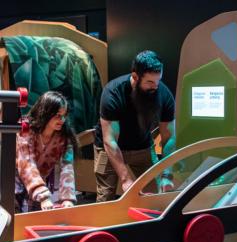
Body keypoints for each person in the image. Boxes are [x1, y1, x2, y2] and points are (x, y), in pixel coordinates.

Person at [94, 50, 175, 202]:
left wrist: (166, 175)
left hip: (142, 147)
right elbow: (109, 140)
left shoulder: (163, 94)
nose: (156, 86)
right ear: (135, 77)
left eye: (158, 81)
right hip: (111, 148)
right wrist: (125, 179)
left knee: (153, 196)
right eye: (150, 82)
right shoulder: (113, 93)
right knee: (106, 198)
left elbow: (168, 137)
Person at [15, 91, 78, 212]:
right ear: (45, 113)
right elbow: (26, 163)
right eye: (58, 116)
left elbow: (67, 166)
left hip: (39, 185)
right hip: (15, 183)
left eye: (64, 115)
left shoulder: (64, 136)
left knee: (37, 219)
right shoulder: (26, 129)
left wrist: (67, 198)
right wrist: (43, 195)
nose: (62, 120)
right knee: (14, 221)